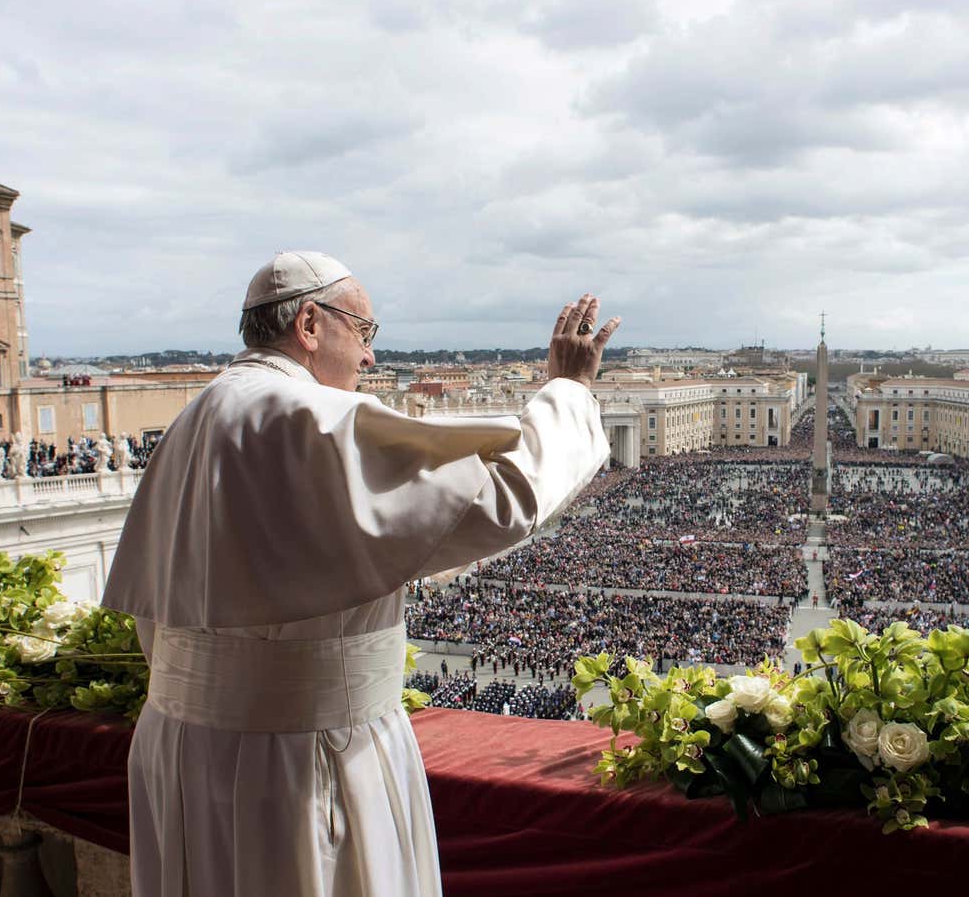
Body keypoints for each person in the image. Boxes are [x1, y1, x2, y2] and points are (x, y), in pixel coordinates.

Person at [103, 250, 620, 897]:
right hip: (304, 757)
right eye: (366, 332)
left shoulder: (194, 419)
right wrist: (569, 388)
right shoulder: (308, 416)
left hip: (178, 749)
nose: (371, 358)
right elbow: (505, 497)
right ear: (311, 324)